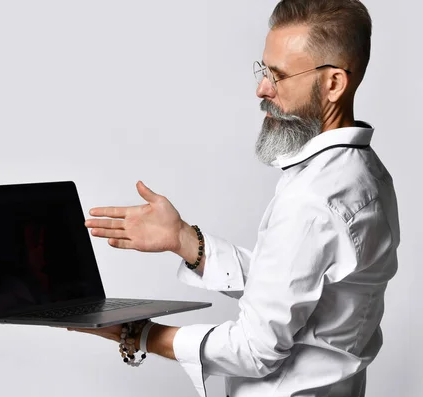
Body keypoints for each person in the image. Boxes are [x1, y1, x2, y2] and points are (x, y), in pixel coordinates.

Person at [67, 1, 400, 396]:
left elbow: (254, 349)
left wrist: (136, 333)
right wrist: (184, 240)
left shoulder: (313, 199)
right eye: (264, 70)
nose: (262, 88)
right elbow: (291, 289)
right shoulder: (366, 173)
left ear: (333, 84)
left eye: (278, 75)